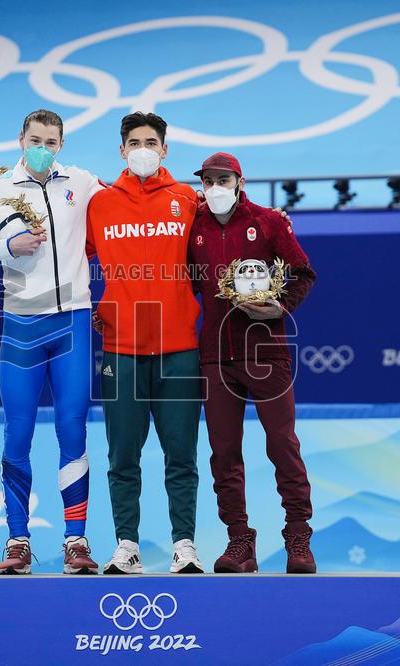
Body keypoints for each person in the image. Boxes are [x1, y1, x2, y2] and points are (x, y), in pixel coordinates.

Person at [0, 109, 102, 575]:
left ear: (62, 144)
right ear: (21, 139)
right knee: (18, 433)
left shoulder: (82, 182)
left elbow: (132, 207)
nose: (42, 148)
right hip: (22, 326)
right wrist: (6, 247)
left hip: (72, 322)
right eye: (35, 140)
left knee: (72, 431)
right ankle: (17, 540)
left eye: (50, 142)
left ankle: (76, 541)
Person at [187, 152, 318, 574]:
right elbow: (184, 283)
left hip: (267, 353)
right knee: (223, 452)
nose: (215, 187)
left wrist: (281, 307)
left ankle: (298, 536)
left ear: (240, 183)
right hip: (215, 356)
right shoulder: (193, 227)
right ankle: (239, 540)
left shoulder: (269, 222)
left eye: (223, 180)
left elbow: (303, 272)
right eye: (208, 181)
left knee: (282, 444)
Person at [86, 112, 204, 574]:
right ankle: (127, 546)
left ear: (164, 149)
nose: (142, 149)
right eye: (134, 142)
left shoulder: (187, 200)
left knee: (182, 456)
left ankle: (185, 545)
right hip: (121, 349)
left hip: (179, 348)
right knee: (122, 457)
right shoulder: (100, 204)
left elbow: (224, 236)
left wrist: (272, 219)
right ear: (122, 150)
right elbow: (66, 257)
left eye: (150, 142)